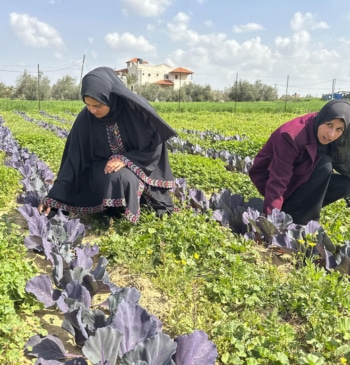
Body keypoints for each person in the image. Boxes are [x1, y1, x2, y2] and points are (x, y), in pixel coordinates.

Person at [38, 66, 177, 223]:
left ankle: (136, 202)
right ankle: (114, 210)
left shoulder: (136, 111)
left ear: (111, 97)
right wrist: (54, 198)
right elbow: (73, 161)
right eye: (87, 104)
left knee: (160, 208)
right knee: (121, 179)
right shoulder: (86, 119)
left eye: (97, 105)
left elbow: (154, 145)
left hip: (141, 165)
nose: (92, 110)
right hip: (103, 171)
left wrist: (125, 159)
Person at [248, 99, 350, 225]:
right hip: (270, 178)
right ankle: (296, 217)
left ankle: (296, 212)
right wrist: (271, 220)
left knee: (345, 184)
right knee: (325, 165)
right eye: (329, 125)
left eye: (339, 129)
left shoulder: (335, 136)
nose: (331, 134)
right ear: (323, 118)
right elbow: (278, 179)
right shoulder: (291, 135)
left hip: (301, 173)